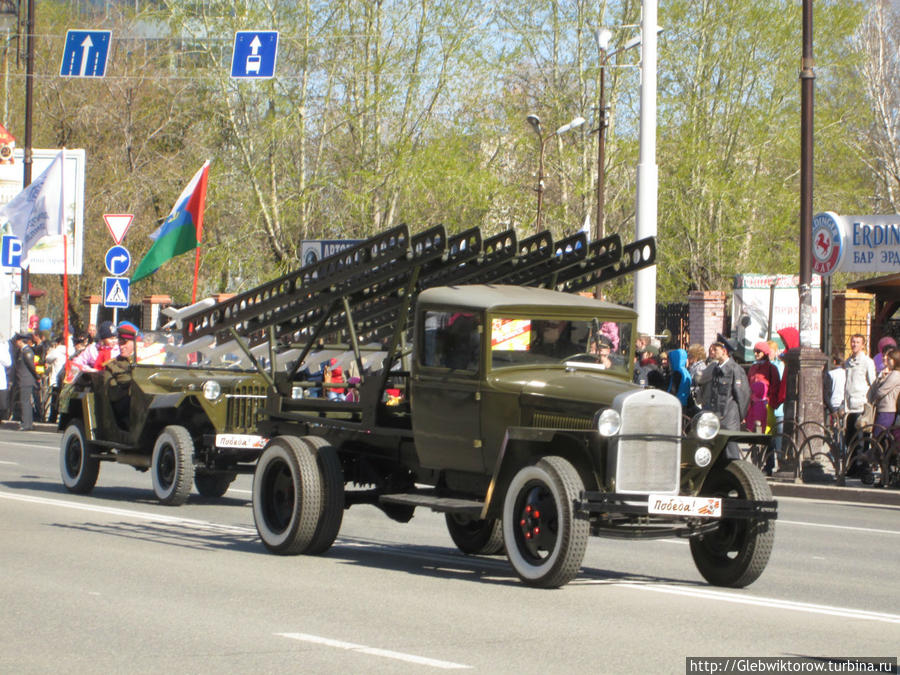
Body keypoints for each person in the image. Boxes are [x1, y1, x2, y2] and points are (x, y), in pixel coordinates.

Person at [697, 335, 750, 459]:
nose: (712, 352)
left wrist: (741, 415)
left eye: (716, 349)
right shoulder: (716, 369)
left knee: (731, 454)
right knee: (716, 454)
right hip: (716, 417)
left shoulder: (735, 369)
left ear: (724, 351)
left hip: (729, 418)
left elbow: (742, 395)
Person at [843, 333, 876, 453]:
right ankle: (852, 466)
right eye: (853, 342)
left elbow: (873, 384)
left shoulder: (868, 362)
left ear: (863, 345)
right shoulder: (847, 362)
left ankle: (862, 466)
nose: (854, 344)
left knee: (861, 439)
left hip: (861, 405)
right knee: (849, 439)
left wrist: (870, 404)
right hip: (849, 406)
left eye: (857, 342)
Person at [103, 324, 137, 426]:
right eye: (120, 343)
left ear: (134, 343)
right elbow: (113, 393)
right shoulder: (112, 365)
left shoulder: (144, 361)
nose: (121, 347)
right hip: (124, 409)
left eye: (125, 343)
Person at [745, 342, 781, 434]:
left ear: (765, 352)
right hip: (753, 405)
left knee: (765, 432)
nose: (755, 354)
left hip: (766, 405)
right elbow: (748, 385)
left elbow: (775, 387)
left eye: (758, 351)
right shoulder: (753, 367)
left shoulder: (772, 368)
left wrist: (770, 403)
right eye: (754, 351)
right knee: (751, 431)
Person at [13, 333, 38, 430]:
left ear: (20, 341)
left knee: (25, 402)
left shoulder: (27, 351)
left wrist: (37, 377)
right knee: (25, 402)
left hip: (26, 380)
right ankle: (27, 423)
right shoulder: (21, 351)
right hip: (23, 380)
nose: (16, 343)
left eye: (17, 341)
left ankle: (26, 424)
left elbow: (31, 366)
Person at [0, 335, 12, 422]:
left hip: (1, 381)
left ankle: (3, 420)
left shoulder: (2, 348)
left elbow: (8, 362)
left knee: (3, 405)